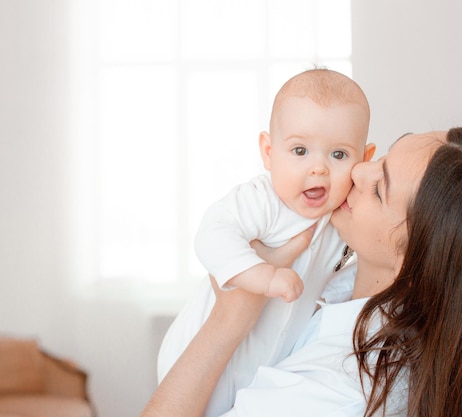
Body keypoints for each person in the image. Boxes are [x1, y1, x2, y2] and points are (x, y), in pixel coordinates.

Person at [143, 125, 462, 417]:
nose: (357, 171)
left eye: (379, 188)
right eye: (382, 155)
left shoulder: (336, 394)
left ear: (417, 261)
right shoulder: (340, 274)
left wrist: (228, 320)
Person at [157, 68, 375, 417]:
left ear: (363, 160)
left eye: (338, 155)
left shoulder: (340, 220)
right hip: (198, 351)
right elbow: (213, 233)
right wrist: (263, 276)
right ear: (269, 152)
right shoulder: (264, 200)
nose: (318, 168)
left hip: (261, 363)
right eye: (300, 150)